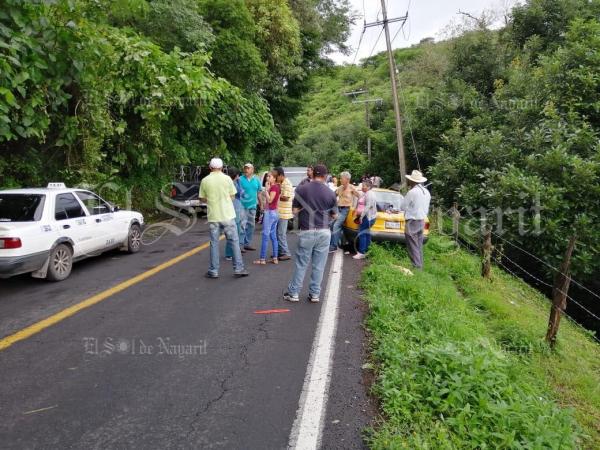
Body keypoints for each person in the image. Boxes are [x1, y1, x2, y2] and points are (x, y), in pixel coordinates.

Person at [284, 164, 338, 303]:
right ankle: (314, 294)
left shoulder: (302, 189)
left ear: (313, 174)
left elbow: (294, 211)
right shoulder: (331, 193)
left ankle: (294, 293)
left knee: (301, 264)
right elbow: (335, 216)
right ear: (325, 176)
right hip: (324, 231)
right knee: (318, 266)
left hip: (307, 230)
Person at [199, 158, 249, 278]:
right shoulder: (227, 179)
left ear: (210, 167)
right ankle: (238, 269)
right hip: (227, 215)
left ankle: (213, 270)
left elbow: (202, 198)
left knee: (214, 243)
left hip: (213, 216)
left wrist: (211, 201)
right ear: (222, 168)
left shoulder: (205, 180)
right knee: (234, 242)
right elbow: (233, 196)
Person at [401, 170, 431, 269]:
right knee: (418, 245)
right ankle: (420, 266)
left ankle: (416, 267)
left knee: (412, 245)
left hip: (412, 221)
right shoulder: (426, 192)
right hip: (422, 220)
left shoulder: (412, 192)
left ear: (412, 181)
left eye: (409, 180)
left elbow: (403, 206)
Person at [254, 171, 281, 265]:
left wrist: (266, 190)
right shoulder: (276, 187)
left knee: (265, 235)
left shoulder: (274, 187)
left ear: (274, 178)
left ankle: (262, 259)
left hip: (270, 213)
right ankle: (275, 258)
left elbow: (270, 200)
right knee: (273, 236)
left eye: (270, 176)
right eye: (267, 176)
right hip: (274, 212)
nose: (267, 178)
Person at [329, 171, 360, 252]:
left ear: (347, 179)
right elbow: (332, 196)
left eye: (341, 178)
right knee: (331, 225)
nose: (340, 180)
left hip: (346, 209)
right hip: (338, 209)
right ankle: (336, 242)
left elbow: (360, 197)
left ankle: (333, 246)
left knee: (336, 226)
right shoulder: (340, 187)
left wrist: (357, 208)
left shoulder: (352, 187)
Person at [353, 179, 377, 260]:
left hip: (367, 217)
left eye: (364, 186)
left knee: (362, 233)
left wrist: (361, 217)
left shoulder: (369, 194)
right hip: (369, 217)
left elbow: (368, 207)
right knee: (367, 234)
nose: (362, 187)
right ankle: (367, 251)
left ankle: (361, 252)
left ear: (369, 187)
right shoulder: (367, 193)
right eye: (362, 186)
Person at [239, 163, 262, 252]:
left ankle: (247, 244)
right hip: (242, 206)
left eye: (248, 168)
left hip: (253, 206)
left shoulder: (256, 180)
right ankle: (240, 245)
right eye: (245, 168)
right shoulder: (240, 179)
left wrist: (261, 204)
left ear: (252, 170)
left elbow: (259, 193)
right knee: (242, 225)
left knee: (251, 226)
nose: (246, 170)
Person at [225, 167, 244, 261]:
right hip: (234, 208)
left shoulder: (227, 182)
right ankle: (230, 253)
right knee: (234, 231)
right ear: (236, 175)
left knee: (233, 231)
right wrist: (239, 181)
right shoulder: (234, 184)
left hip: (231, 208)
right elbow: (241, 192)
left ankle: (232, 252)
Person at [274, 167, 293, 261]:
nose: (275, 178)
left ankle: (286, 253)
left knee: (281, 234)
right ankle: (280, 252)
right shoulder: (281, 183)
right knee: (278, 233)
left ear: (281, 175)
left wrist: (275, 195)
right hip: (280, 211)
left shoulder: (287, 183)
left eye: (276, 176)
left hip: (284, 213)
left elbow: (286, 197)